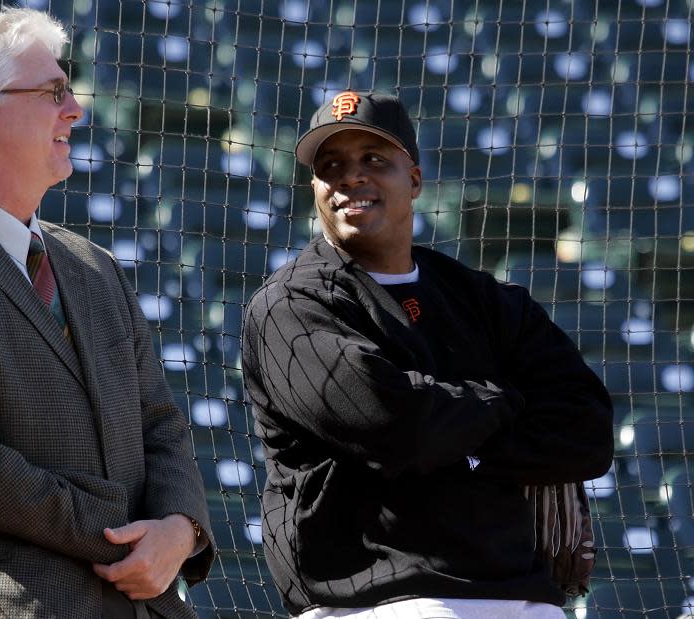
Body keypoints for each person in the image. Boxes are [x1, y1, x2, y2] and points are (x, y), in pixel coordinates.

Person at [0, 8, 214, 619]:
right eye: (53, 92)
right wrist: (128, 528)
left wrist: (180, 530)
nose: (75, 110)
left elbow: (161, 422)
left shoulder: (96, 268)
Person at [241, 91, 614, 619]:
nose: (351, 177)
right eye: (331, 166)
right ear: (316, 189)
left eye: (374, 160)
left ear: (413, 180)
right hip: (379, 601)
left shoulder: (487, 300)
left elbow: (588, 431)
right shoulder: (291, 307)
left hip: (525, 596)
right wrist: (505, 400)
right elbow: (396, 427)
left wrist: (465, 443)